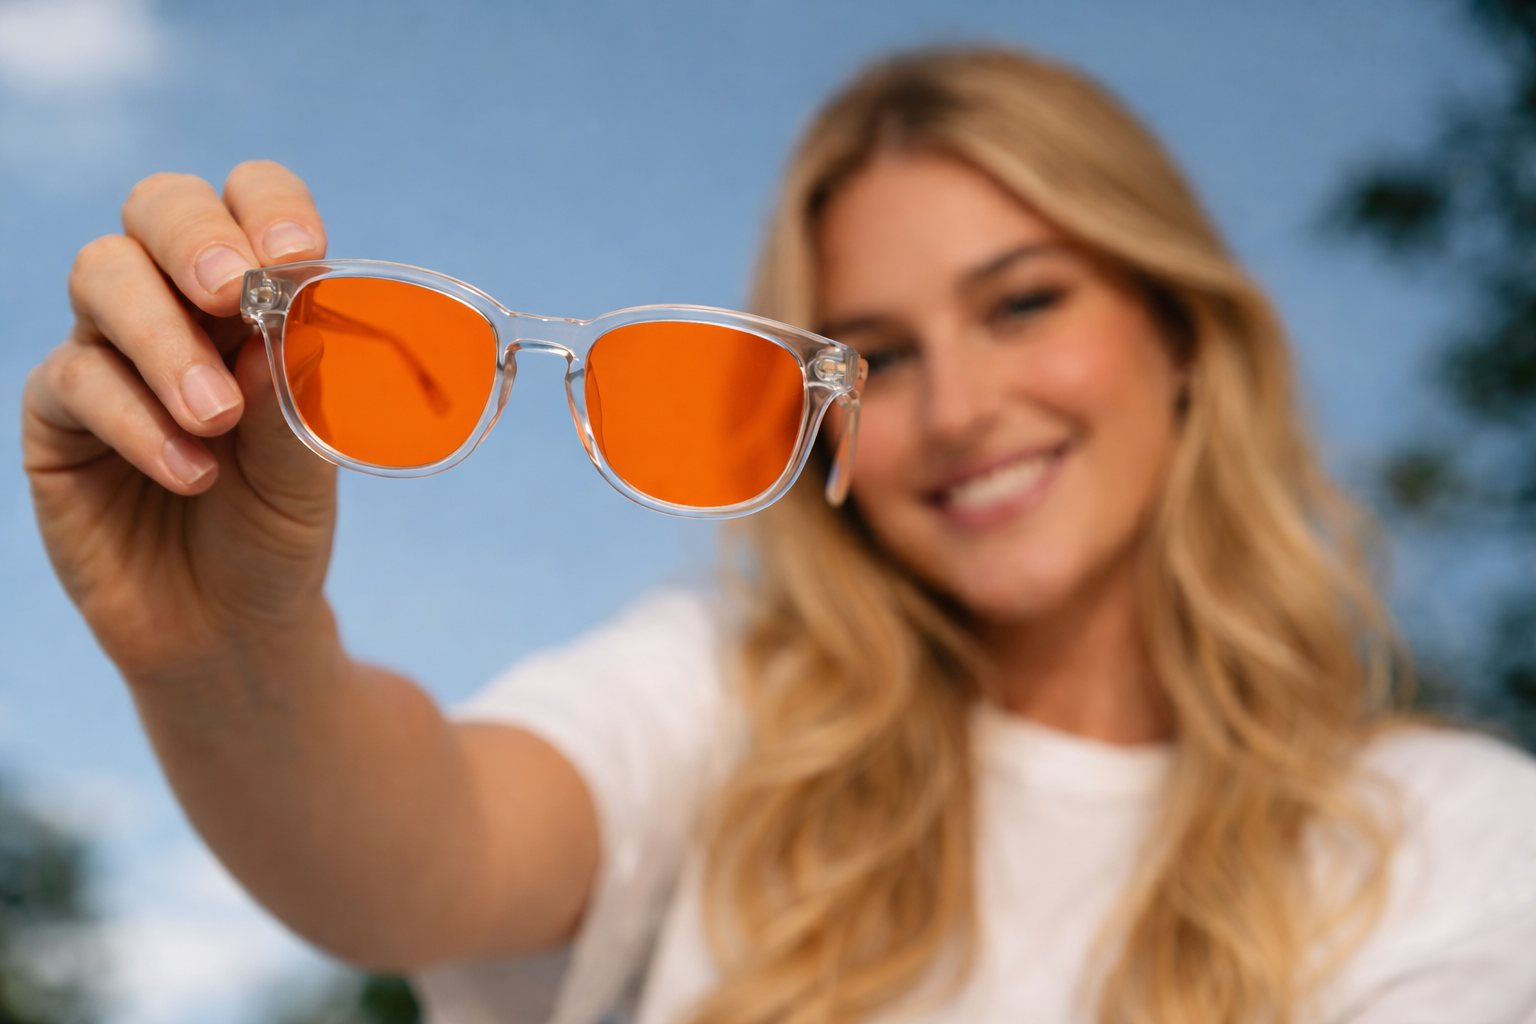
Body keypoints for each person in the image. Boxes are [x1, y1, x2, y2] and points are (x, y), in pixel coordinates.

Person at [22, 46, 1536, 1024]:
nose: (962, 409)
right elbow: (417, 849)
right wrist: (227, 655)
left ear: (1181, 333)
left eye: (1023, 303)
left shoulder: (1456, 839)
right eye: (881, 355)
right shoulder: (731, 706)